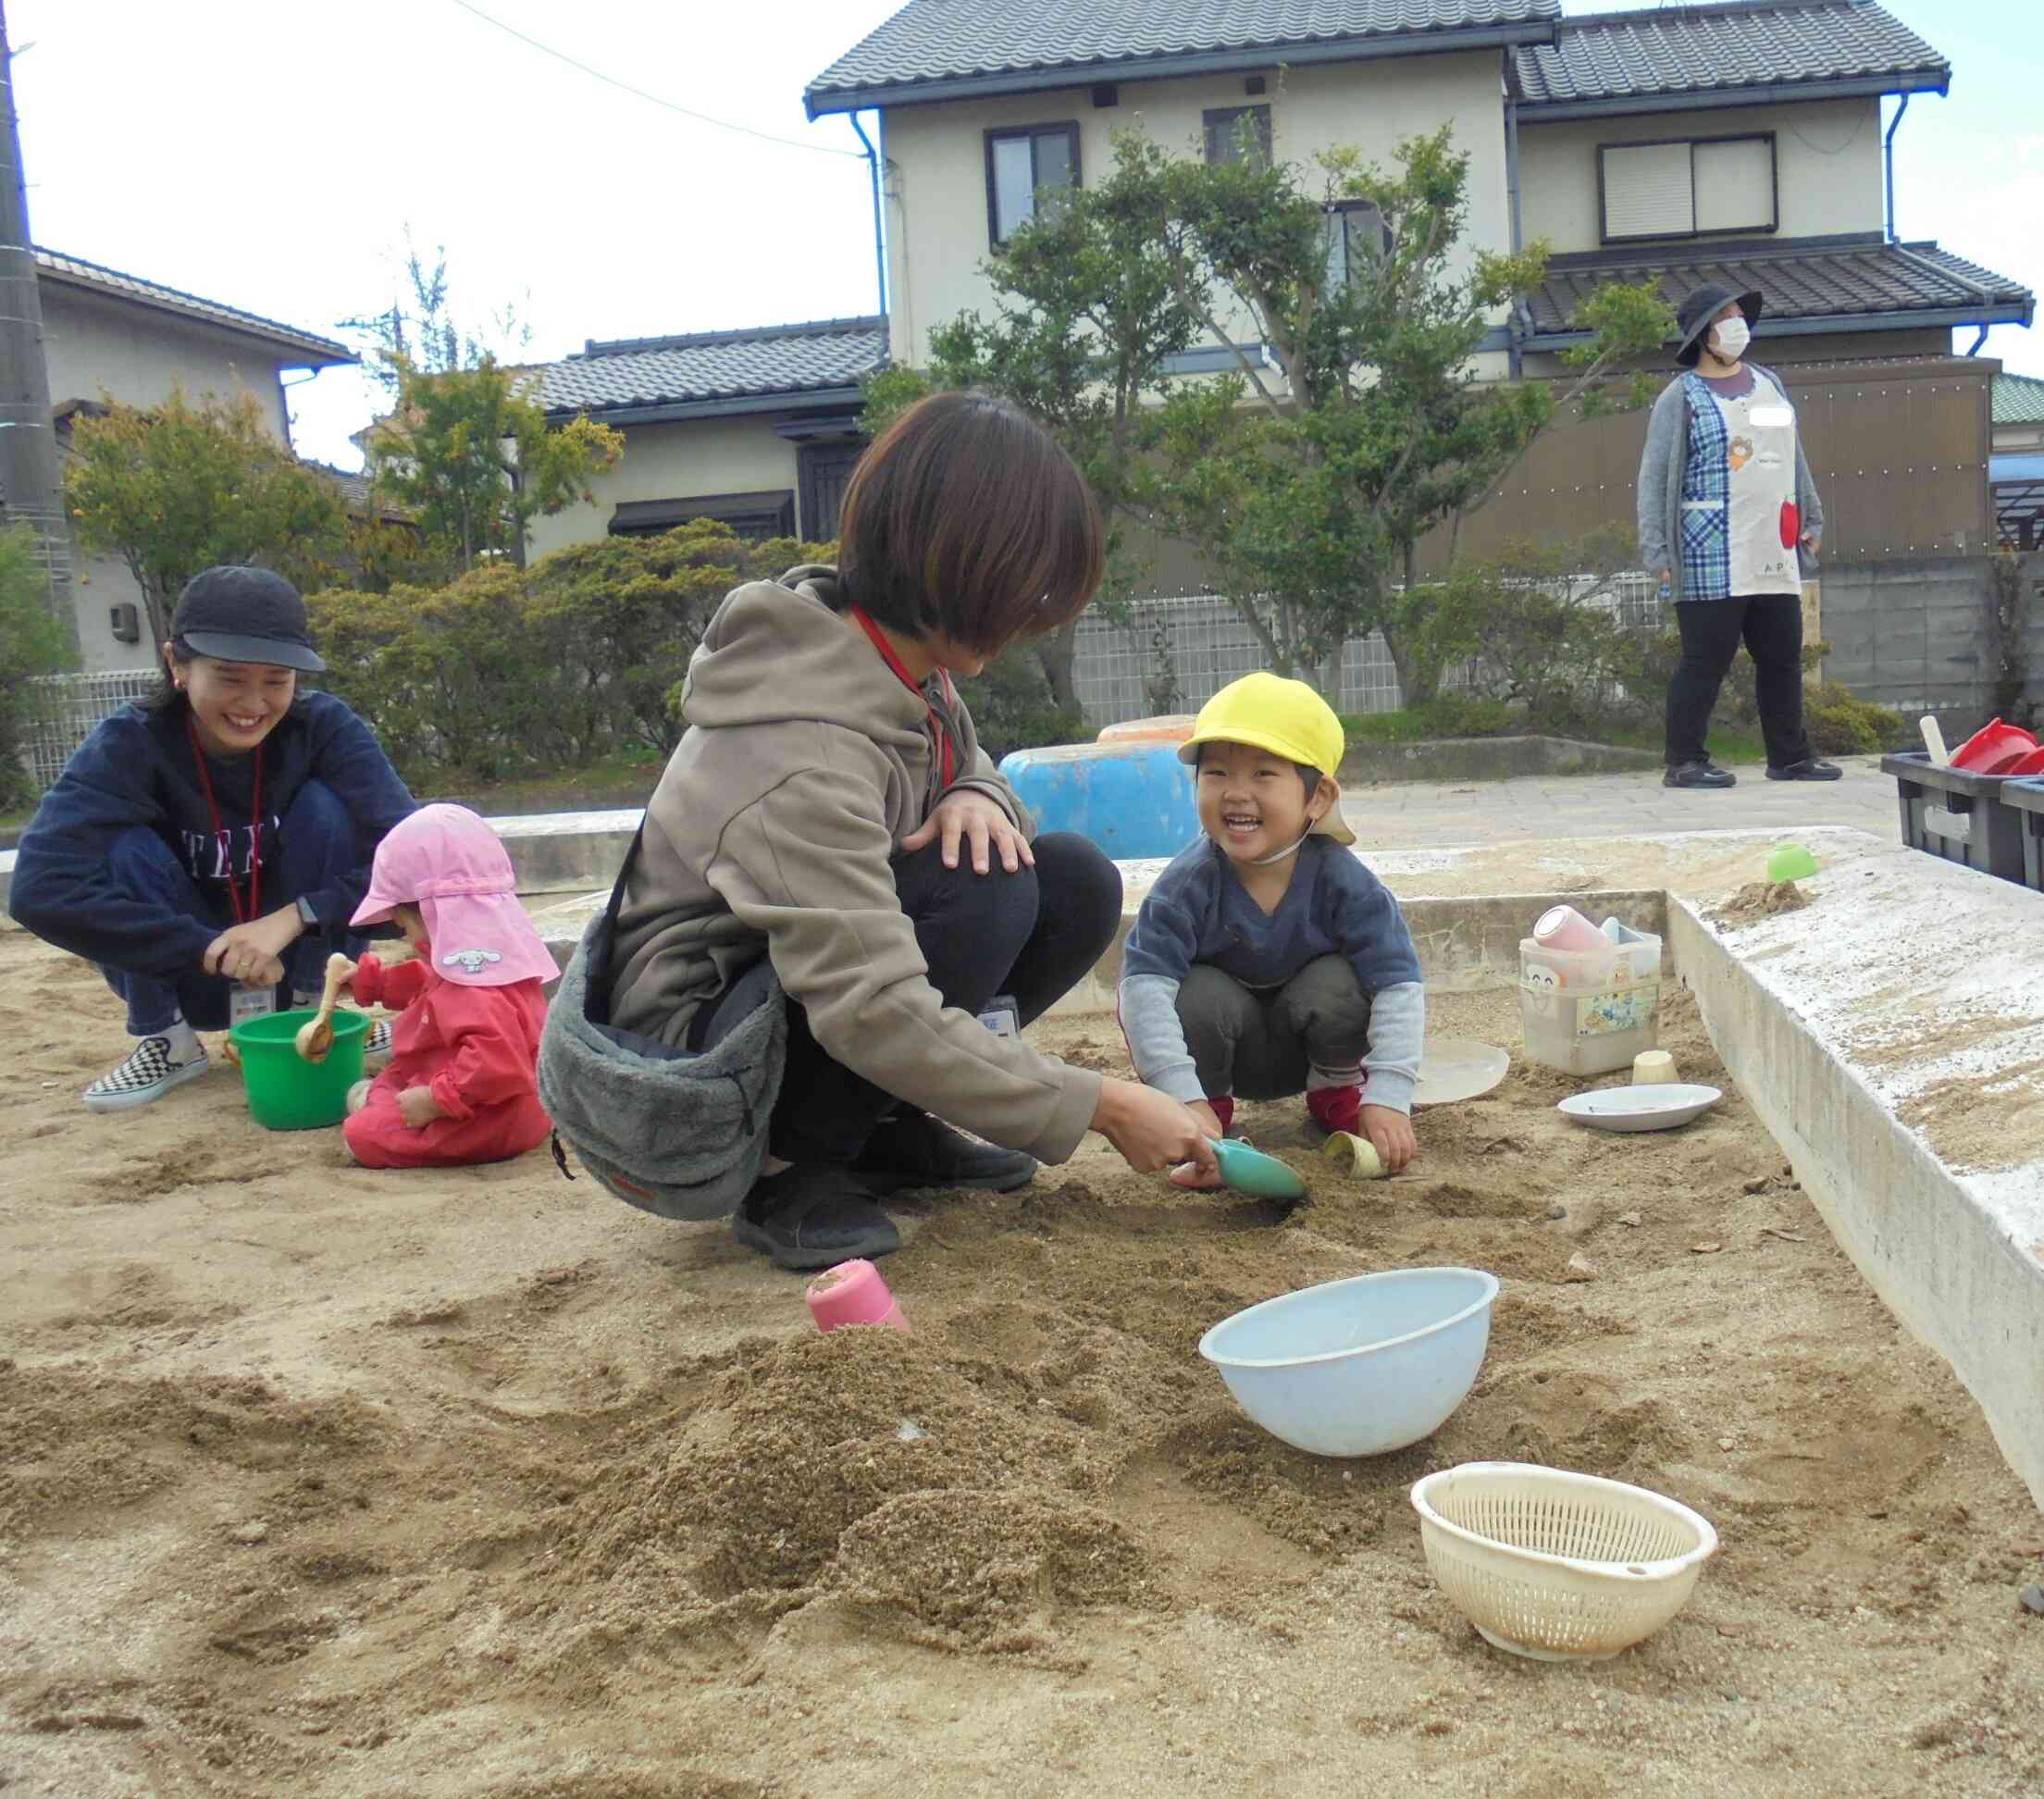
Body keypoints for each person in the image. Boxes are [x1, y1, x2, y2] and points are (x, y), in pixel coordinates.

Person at [604, 391, 1212, 1272]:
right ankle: (787, 1170)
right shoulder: (800, 748)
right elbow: (874, 1007)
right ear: (954, 564)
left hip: (796, 988)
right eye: (1026, 582)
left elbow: (973, 765)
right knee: (984, 892)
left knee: (1070, 880)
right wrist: (1104, 1105)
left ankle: (881, 1131)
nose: (1037, 609)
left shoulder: (896, 663)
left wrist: (978, 795)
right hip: (692, 1067)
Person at [8, 566, 416, 1110]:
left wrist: (297, 916)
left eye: (276, 681)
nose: (253, 703)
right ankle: (167, 1039)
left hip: (296, 961)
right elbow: (38, 889)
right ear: (177, 663)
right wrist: (201, 949)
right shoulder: (129, 745)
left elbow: (420, 864)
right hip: (185, 970)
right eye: (229, 677)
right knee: (119, 846)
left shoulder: (323, 729)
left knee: (328, 809)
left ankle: (320, 1013)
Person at [1117, 673, 1424, 1190]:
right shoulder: (1187, 885)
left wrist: (1389, 1097)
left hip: (1311, 1051)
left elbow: (1398, 986)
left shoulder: (1345, 882)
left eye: (1263, 774)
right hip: (1220, 1057)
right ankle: (1208, 1121)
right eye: (1216, 773)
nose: (1236, 794)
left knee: (1342, 979)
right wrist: (1181, 1099)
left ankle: (1336, 1095)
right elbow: (1142, 991)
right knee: (1193, 990)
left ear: (1318, 797)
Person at [1636, 282, 1842, 791]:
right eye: (1724, 318)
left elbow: (1793, 455)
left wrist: (1811, 519)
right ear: (1703, 335)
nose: (1737, 325)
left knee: (1782, 655)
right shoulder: (1679, 397)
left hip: (1773, 541)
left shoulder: (1769, 383)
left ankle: (1790, 756)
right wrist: (1657, 549)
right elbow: (1654, 474)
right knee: (1705, 660)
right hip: (1708, 548)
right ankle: (1685, 760)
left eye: (1738, 316)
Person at [324, 803, 556, 1170]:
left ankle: (377, 1107)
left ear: (434, 916)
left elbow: (497, 1062)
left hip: (487, 1117)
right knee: (395, 1076)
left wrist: (435, 1100)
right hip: (529, 1107)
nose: (405, 933)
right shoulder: (488, 957)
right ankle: (381, 1098)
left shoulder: (472, 989)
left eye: (404, 924)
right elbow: (431, 986)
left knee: (363, 1134)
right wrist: (373, 983)